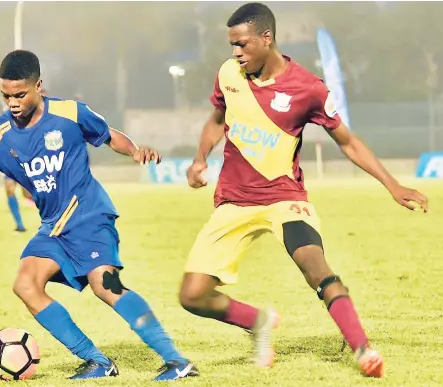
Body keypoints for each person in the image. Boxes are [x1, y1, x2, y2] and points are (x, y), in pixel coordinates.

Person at [179, 2, 428, 378]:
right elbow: (217, 120)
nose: (236, 53)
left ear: (267, 38)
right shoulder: (229, 73)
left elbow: (347, 142)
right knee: (192, 296)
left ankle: (363, 349)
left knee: (314, 263)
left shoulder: (308, 88)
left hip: (285, 198)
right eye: (232, 45)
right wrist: (200, 159)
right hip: (234, 200)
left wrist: (392, 184)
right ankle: (258, 321)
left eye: (243, 44)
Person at [0, 49, 198, 381]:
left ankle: (177, 361)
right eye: (6, 95)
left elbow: (108, 135)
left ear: (38, 86)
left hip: (88, 213)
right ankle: (97, 361)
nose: (13, 102)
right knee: (26, 284)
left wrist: (134, 150)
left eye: (20, 94)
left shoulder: (68, 112)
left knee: (105, 285)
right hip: (53, 225)